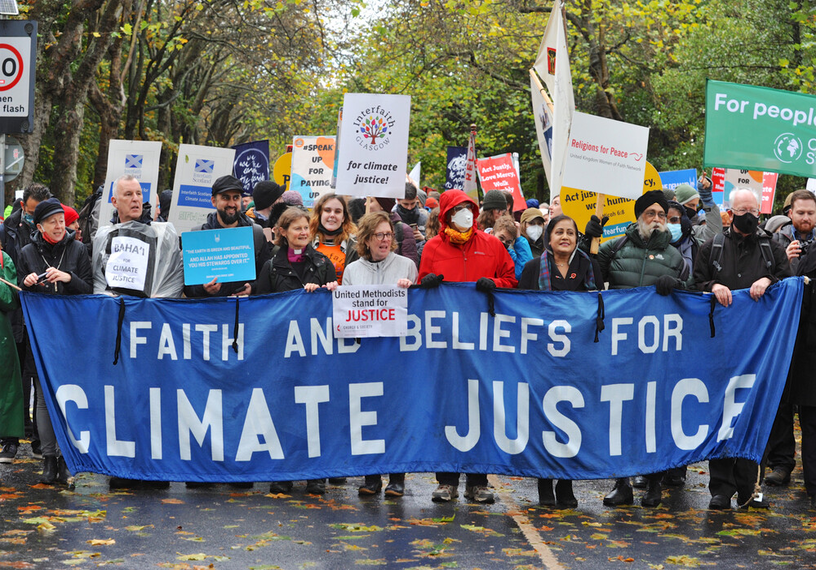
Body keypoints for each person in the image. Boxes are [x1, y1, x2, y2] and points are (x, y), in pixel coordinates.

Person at [418, 189, 516, 504]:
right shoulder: (431, 248)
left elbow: (512, 281)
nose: (466, 214)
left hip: (484, 343)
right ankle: (446, 481)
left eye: (469, 208)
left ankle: (478, 481)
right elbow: (421, 290)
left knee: (480, 408)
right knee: (447, 407)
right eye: (459, 209)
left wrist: (496, 285)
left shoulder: (492, 245)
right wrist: (427, 284)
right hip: (445, 345)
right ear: (446, 215)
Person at [694, 188, 790, 510]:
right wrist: (713, 286)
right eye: (742, 209)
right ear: (730, 213)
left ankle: (749, 487)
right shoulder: (711, 249)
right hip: (720, 350)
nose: (748, 215)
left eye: (753, 209)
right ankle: (721, 489)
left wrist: (770, 281)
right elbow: (694, 286)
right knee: (721, 417)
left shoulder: (772, 249)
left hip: (758, 351)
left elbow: (789, 287)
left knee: (752, 415)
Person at [597, 190, 688, 508]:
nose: (658, 219)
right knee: (620, 417)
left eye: (662, 215)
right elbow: (590, 278)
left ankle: (654, 485)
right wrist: (589, 238)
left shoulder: (676, 258)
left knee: (655, 416)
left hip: (656, 353)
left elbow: (688, 297)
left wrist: (677, 287)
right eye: (650, 213)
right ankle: (621, 484)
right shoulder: (615, 247)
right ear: (639, 217)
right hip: (621, 350)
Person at [518, 214, 602, 508]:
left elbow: (599, 306)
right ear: (548, 238)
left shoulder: (589, 267)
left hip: (578, 358)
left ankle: (566, 484)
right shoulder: (532, 268)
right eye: (559, 232)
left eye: (571, 232)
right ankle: (544, 484)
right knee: (542, 419)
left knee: (571, 419)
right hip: (541, 358)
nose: (565, 237)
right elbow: (520, 310)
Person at [255, 207, 338, 495]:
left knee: (316, 411)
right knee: (284, 410)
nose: (303, 233)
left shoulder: (323, 263)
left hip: (315, 350)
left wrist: (331, 291)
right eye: (296, 228)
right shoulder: (271, 267)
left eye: (306, 228)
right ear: (282, 232)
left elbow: (334, 307)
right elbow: (261, 308)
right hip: (282, 351)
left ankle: (316, 473)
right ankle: (283, 472)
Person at [18, 199, 92, 484]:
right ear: (40, 226)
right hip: (41, 336)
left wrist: (68, 277)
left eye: (62, 220)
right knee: (44, 401)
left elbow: (89, 290)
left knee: (68, 396)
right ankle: (49, 458)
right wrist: (26, 284)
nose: (60, 225)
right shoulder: (26, 252)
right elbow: (18, 297)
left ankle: (65, 457)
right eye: (52, 221)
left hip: (72, 335)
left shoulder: (78, 249)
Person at [343, 212, 417, 497]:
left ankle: (397, 477)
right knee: (368, 413)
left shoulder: (407, 266)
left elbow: (420, 306)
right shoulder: (353, 271)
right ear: (366, 239)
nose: (385, 240)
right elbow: (346, 313)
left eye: (389, 235)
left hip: (398, 353)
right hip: (366, 353)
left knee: (396, 413)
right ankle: (371, 476)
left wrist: (413, 290)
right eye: (379, 235)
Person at [762, 189, 816, 488]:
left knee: (809, 405)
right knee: (781, 399)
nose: (805, 217)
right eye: (801, 212)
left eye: (811, 213)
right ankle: (781, 462)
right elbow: (765, 281)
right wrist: (784, 263)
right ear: (790, 214)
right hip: (782, 332)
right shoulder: (774, 243)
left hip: (811, 337)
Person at [0, 182, 52, 463]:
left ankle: (37, 439)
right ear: (23, 207)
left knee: (38, 376)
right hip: (15, 315)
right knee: (15, 379)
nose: (36, 217)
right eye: (32, 212)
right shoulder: (7, 230)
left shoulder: (49, 231)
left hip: (41, 314)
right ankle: (11, 439)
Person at [93, 175, 184, 299]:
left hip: (151, 313)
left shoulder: (164, 234)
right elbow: (98, 281)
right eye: (128, 194)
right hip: (116, 312)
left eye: (139, 193)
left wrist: (160, 299)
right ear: (115, 202)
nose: (135, 199)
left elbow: (175, 279)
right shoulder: (103, 236)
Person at [183, 175, 272, 298]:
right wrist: (204, 289)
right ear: (214, 201)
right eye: (225, 198)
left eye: (236, 198)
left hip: (245, 313)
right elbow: (188, 289)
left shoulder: (255, 235)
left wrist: (253, 288)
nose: (232, 203)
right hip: (211, 314)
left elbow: (267, 278)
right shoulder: (199, 236)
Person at [0, 245, 23, 466]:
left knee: (6, 386)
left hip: (2, 335)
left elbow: (10, 299)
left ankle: (9, 439)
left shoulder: (2, 258)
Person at [309, 193, 358, 285]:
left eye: (337, 211)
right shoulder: (307, 243)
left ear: (343, 217)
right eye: (327, 210)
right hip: (314, 298)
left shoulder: (355, 246)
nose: (332, 215)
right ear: (320, 214)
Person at [367, 196, 418, 266]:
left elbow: (410, 266)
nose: (365, 204)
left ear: (382, 205)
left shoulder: (403, 230)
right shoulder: (365, 228)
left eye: (371, 201)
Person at [492, 215, 532, 280]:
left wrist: (518, 238)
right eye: (501, 238)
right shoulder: (481, 246)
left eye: (508, 242)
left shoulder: (509, 255)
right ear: (492, 233)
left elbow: (523, 271)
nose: (503, 243)